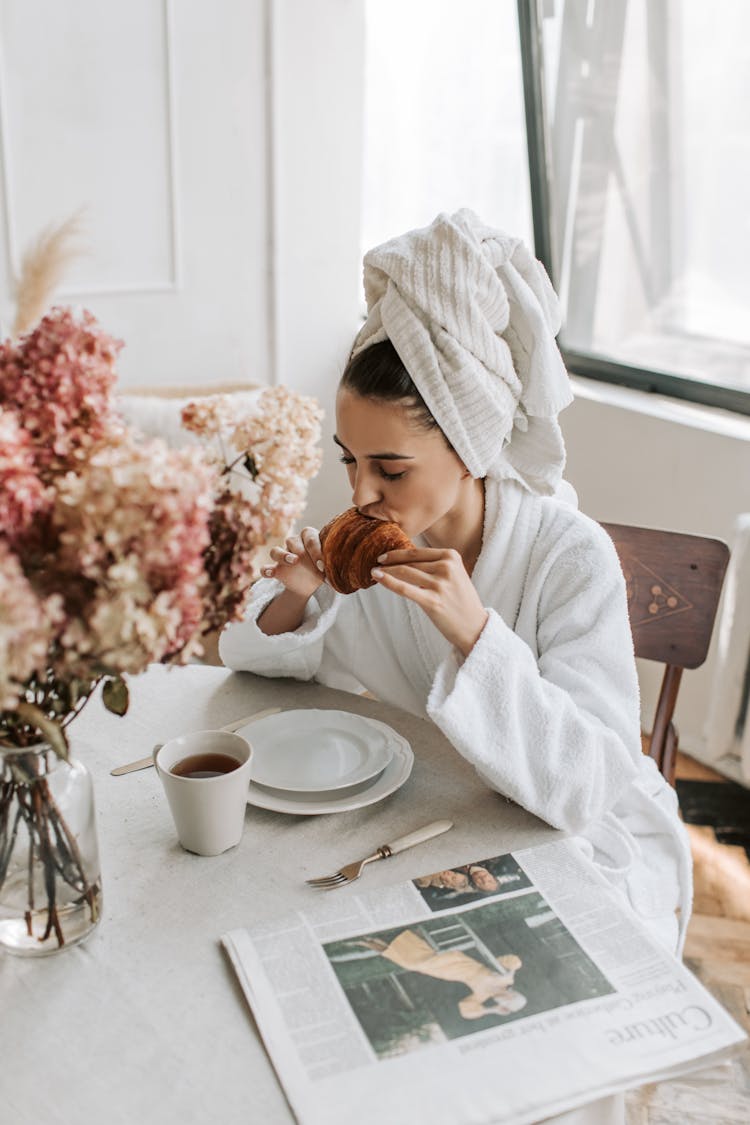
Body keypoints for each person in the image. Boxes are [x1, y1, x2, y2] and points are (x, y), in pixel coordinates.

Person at [219, 209, 691, 963]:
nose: (361, 490)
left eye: (390, 468)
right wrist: (298, 593)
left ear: (470, 446)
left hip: (566, 831)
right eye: (349, 460)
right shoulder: (379, 549)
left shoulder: (569, 558)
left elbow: (591, 783)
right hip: (440, 814)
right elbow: (260, 655)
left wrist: (477, 635)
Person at [356, 931, 526, 1021]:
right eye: (506, 1002)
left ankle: (372, 942)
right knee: (414, 964)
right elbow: (514, 961)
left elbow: (465, 1011)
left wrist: (491, 1010)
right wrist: (511, 970)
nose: (501, 1003)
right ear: (512, 995)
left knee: (413, 965)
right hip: (458, 961)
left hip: (449, 973)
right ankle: (373, 942)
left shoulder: (483, 996)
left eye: (504, 1006)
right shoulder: (506, 979)